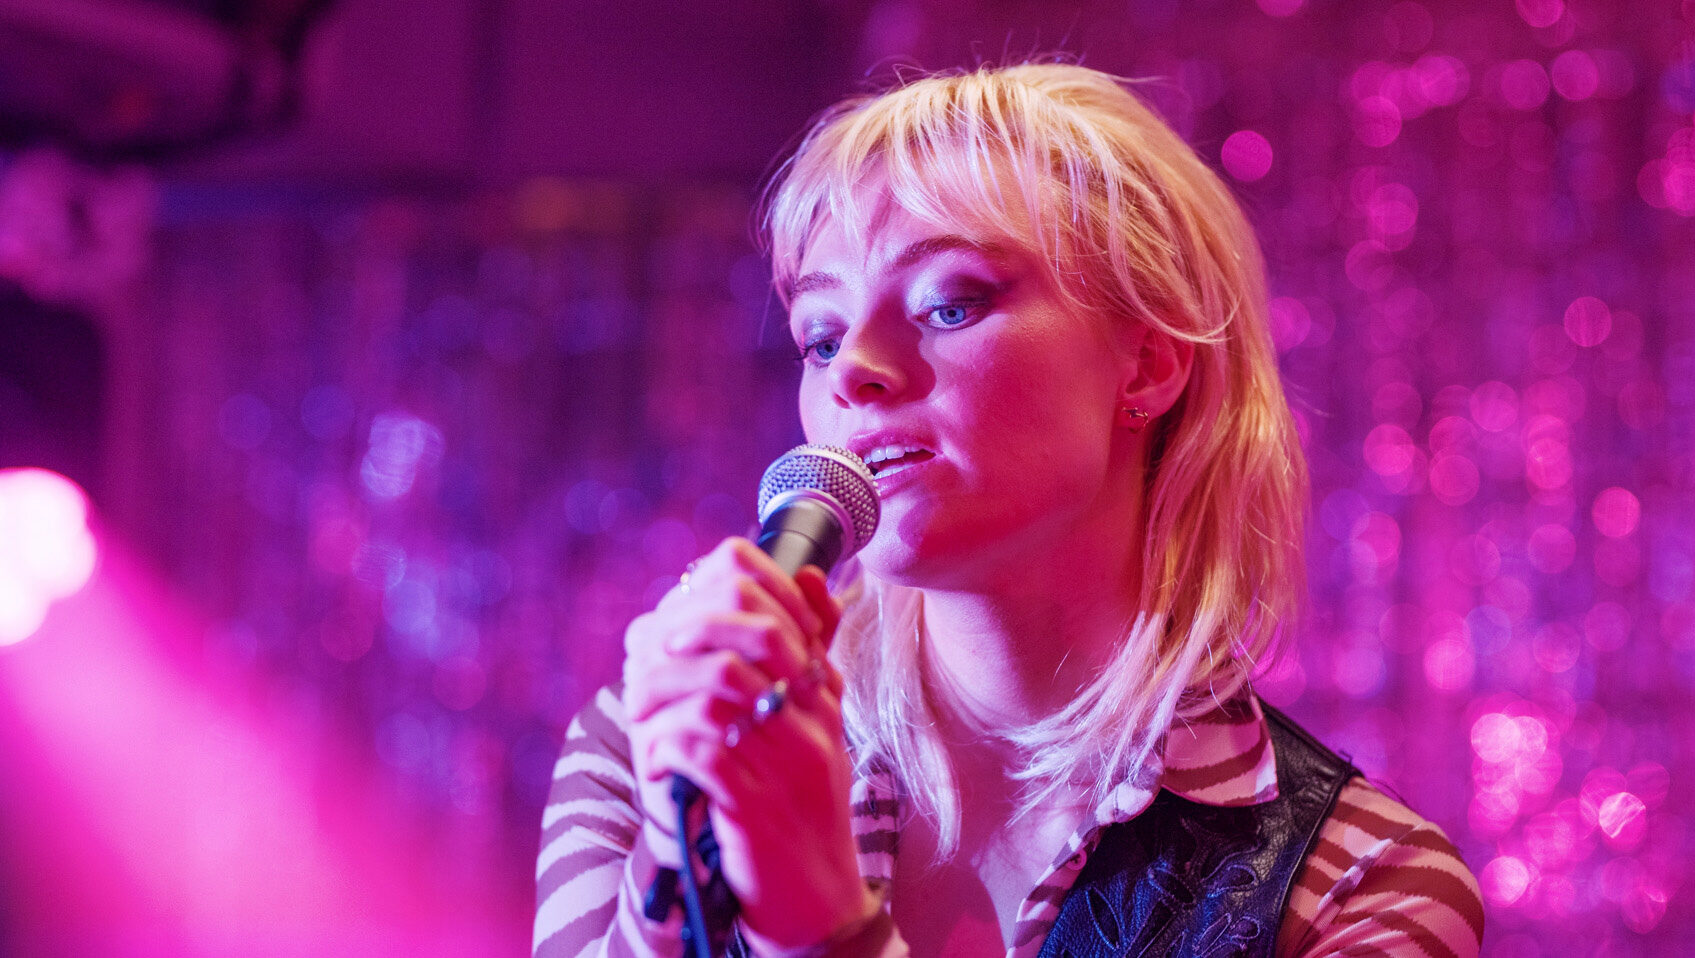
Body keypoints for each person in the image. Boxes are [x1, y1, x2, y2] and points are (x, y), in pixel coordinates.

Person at [534, 63, 1484, 958]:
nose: (853, 368)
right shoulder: (652, 746)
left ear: (1148, 363)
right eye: (820, 337)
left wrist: (823, 923)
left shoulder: (1360, 886)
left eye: (949, 304)